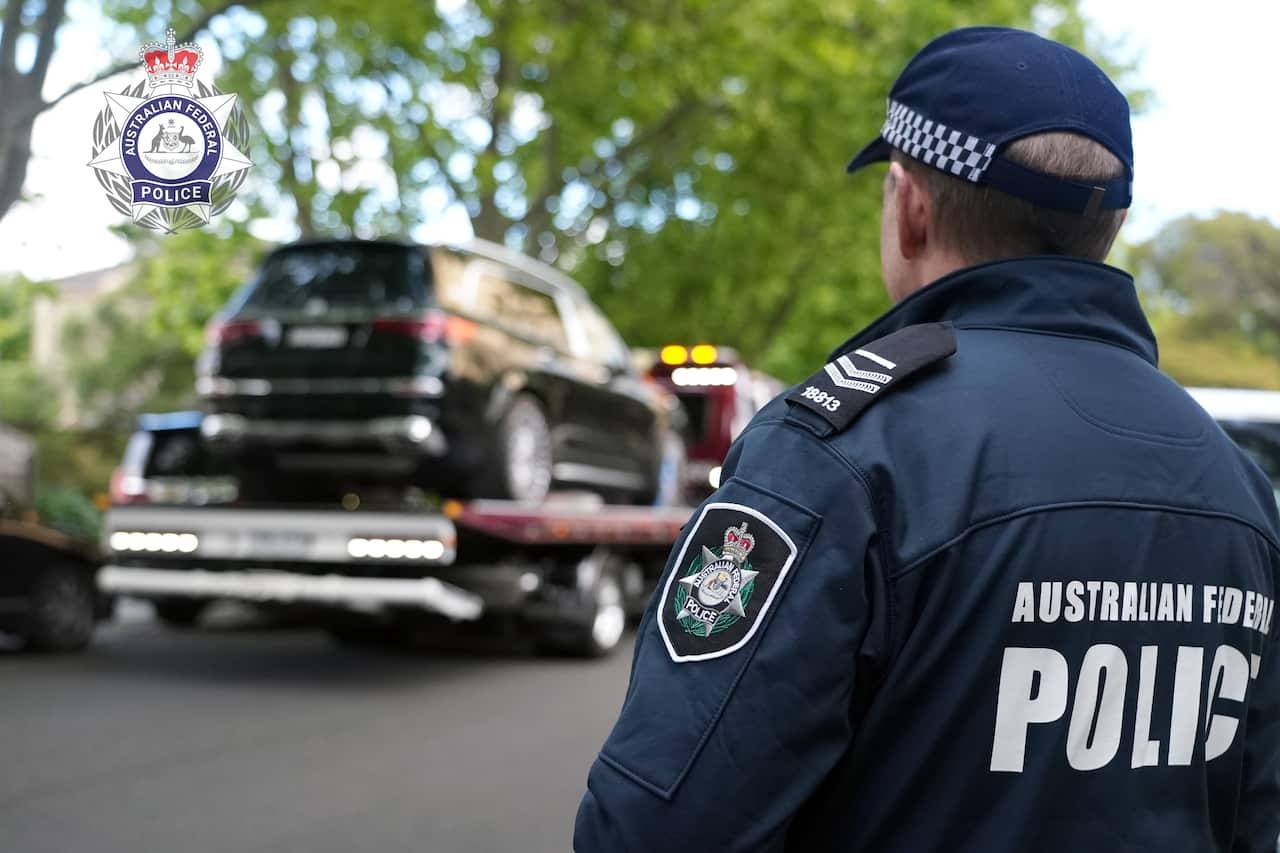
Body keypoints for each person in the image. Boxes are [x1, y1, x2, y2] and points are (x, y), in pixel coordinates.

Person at [574, 26, 1280, 852]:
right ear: (1112, 225)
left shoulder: (841, 451)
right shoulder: (1237, 485)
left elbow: (660, 828)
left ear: (909, 206)